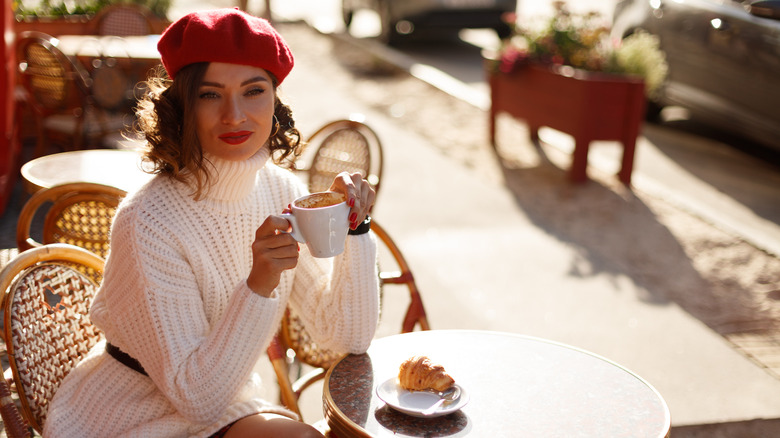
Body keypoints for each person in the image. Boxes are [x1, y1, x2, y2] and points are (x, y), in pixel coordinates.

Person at [45, 8, 380, 438]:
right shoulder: (147, 221)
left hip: (225, 405)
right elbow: (197, 398)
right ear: (182, 105)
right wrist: (260, 282)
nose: (235, 114)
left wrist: (356, 228)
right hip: (129, 416)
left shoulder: (282, 190)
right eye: (210, 94)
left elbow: (346, 337)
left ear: (274, 100)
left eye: (254, 91)